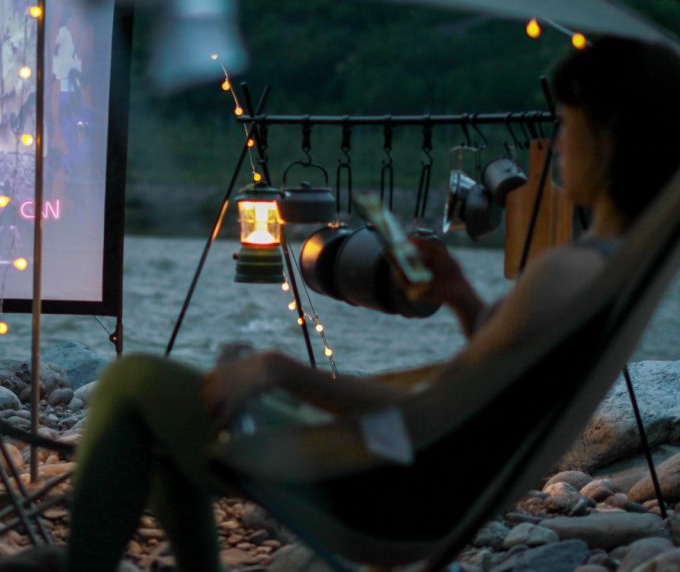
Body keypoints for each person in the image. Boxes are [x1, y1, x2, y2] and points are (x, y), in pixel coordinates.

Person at [61, 37, 680, 572]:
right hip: (428, 488)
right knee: (164, 433)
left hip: (385, 494)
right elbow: (484, 389)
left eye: (567, 124)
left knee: (132, 379)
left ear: (609, 135)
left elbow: (422, 413)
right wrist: (463, 297)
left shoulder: (567, 271)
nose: (558, 141)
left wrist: (281, 370)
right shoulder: (604, 272)